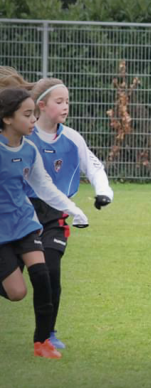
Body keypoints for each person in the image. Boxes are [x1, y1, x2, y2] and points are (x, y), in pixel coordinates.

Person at [0, 67, 114, 350]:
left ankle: (46, 335)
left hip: (53, 215)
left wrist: (102, 194)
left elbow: (92, 166)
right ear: (41, 106)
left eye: (67, 101)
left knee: (49, 271)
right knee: (16, 286)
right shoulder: (23, 134)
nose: (66, 107)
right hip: (21, 211)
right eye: (59, 101)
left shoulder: (71, 137)